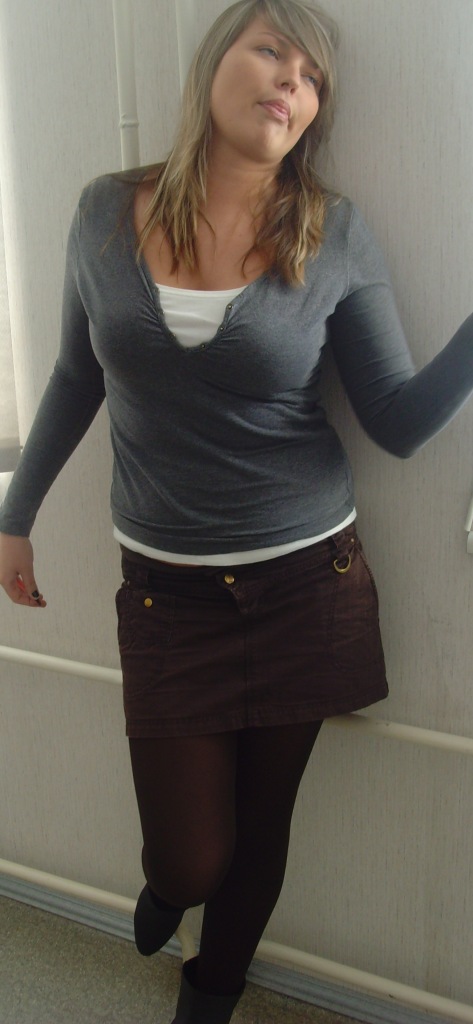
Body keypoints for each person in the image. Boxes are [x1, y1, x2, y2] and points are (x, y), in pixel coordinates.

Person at [1, 0, 472, 1020]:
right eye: (271, 51)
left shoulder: (333, 231)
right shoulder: (102, 211)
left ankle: (209, 993)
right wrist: (15, 513)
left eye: (312, 77)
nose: (291, 82)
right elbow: (76, 376)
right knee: (190, 855)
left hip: (308, 583)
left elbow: (393, 423)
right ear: (214, 61)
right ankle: (169, 886)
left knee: (261, 830)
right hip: (166, 596)